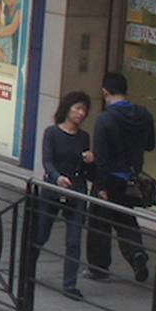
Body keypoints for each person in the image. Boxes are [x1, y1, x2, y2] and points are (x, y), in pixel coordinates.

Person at [87, 71, 156, 283]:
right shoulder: (144, 114)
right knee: (126, 219)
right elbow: (151, 145)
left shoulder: (105, 120)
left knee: (100, 223)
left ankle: (99, 268)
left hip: (109, 178)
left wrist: (100, 186)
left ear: (105, 92)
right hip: (131, 178)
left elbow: (101, 157)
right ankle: (136, 254)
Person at [36, 91, 95, 299]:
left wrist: (90, 160)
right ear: (67, 109)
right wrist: (57, 177)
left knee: (74, 240)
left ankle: (70, 284)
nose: (80, 113)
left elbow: (88, 171)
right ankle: (28, 267)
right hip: (54, 189)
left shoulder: (84, 137)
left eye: (84, 110)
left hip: (76, 192)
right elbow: (47, 161)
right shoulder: (52, 133)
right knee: (41, 234)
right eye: (77, 108)